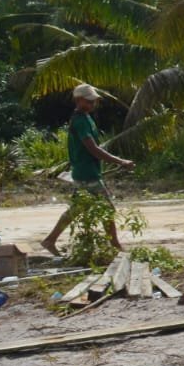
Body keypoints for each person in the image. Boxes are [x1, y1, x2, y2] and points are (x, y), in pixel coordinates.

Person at [40, 83, 133, 256]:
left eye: (93, 101)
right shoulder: (80, 121)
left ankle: (50, 240)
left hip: (87, 170)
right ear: (78, 100)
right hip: (86, 173)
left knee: (76, 209)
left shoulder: (86, 118)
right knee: (106, 209)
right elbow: (93, 149)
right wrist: (120, 161)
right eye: (88, 101)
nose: (92, 104)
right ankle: (115, 246)